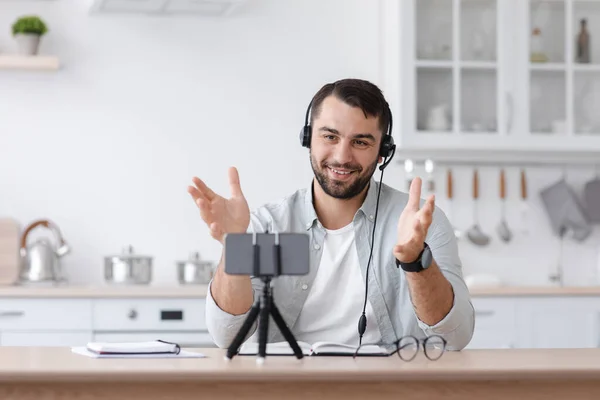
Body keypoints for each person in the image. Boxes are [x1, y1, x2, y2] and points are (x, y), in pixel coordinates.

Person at [188, 78, 475, 351]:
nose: (342, 156)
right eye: (330, 136)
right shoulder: (271, 226)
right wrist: (234, 245)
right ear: (308, 138)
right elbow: (228, 336)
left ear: (382, 152)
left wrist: (415, 262)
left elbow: (454, 338)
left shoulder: (418, 224)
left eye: (360, 142)